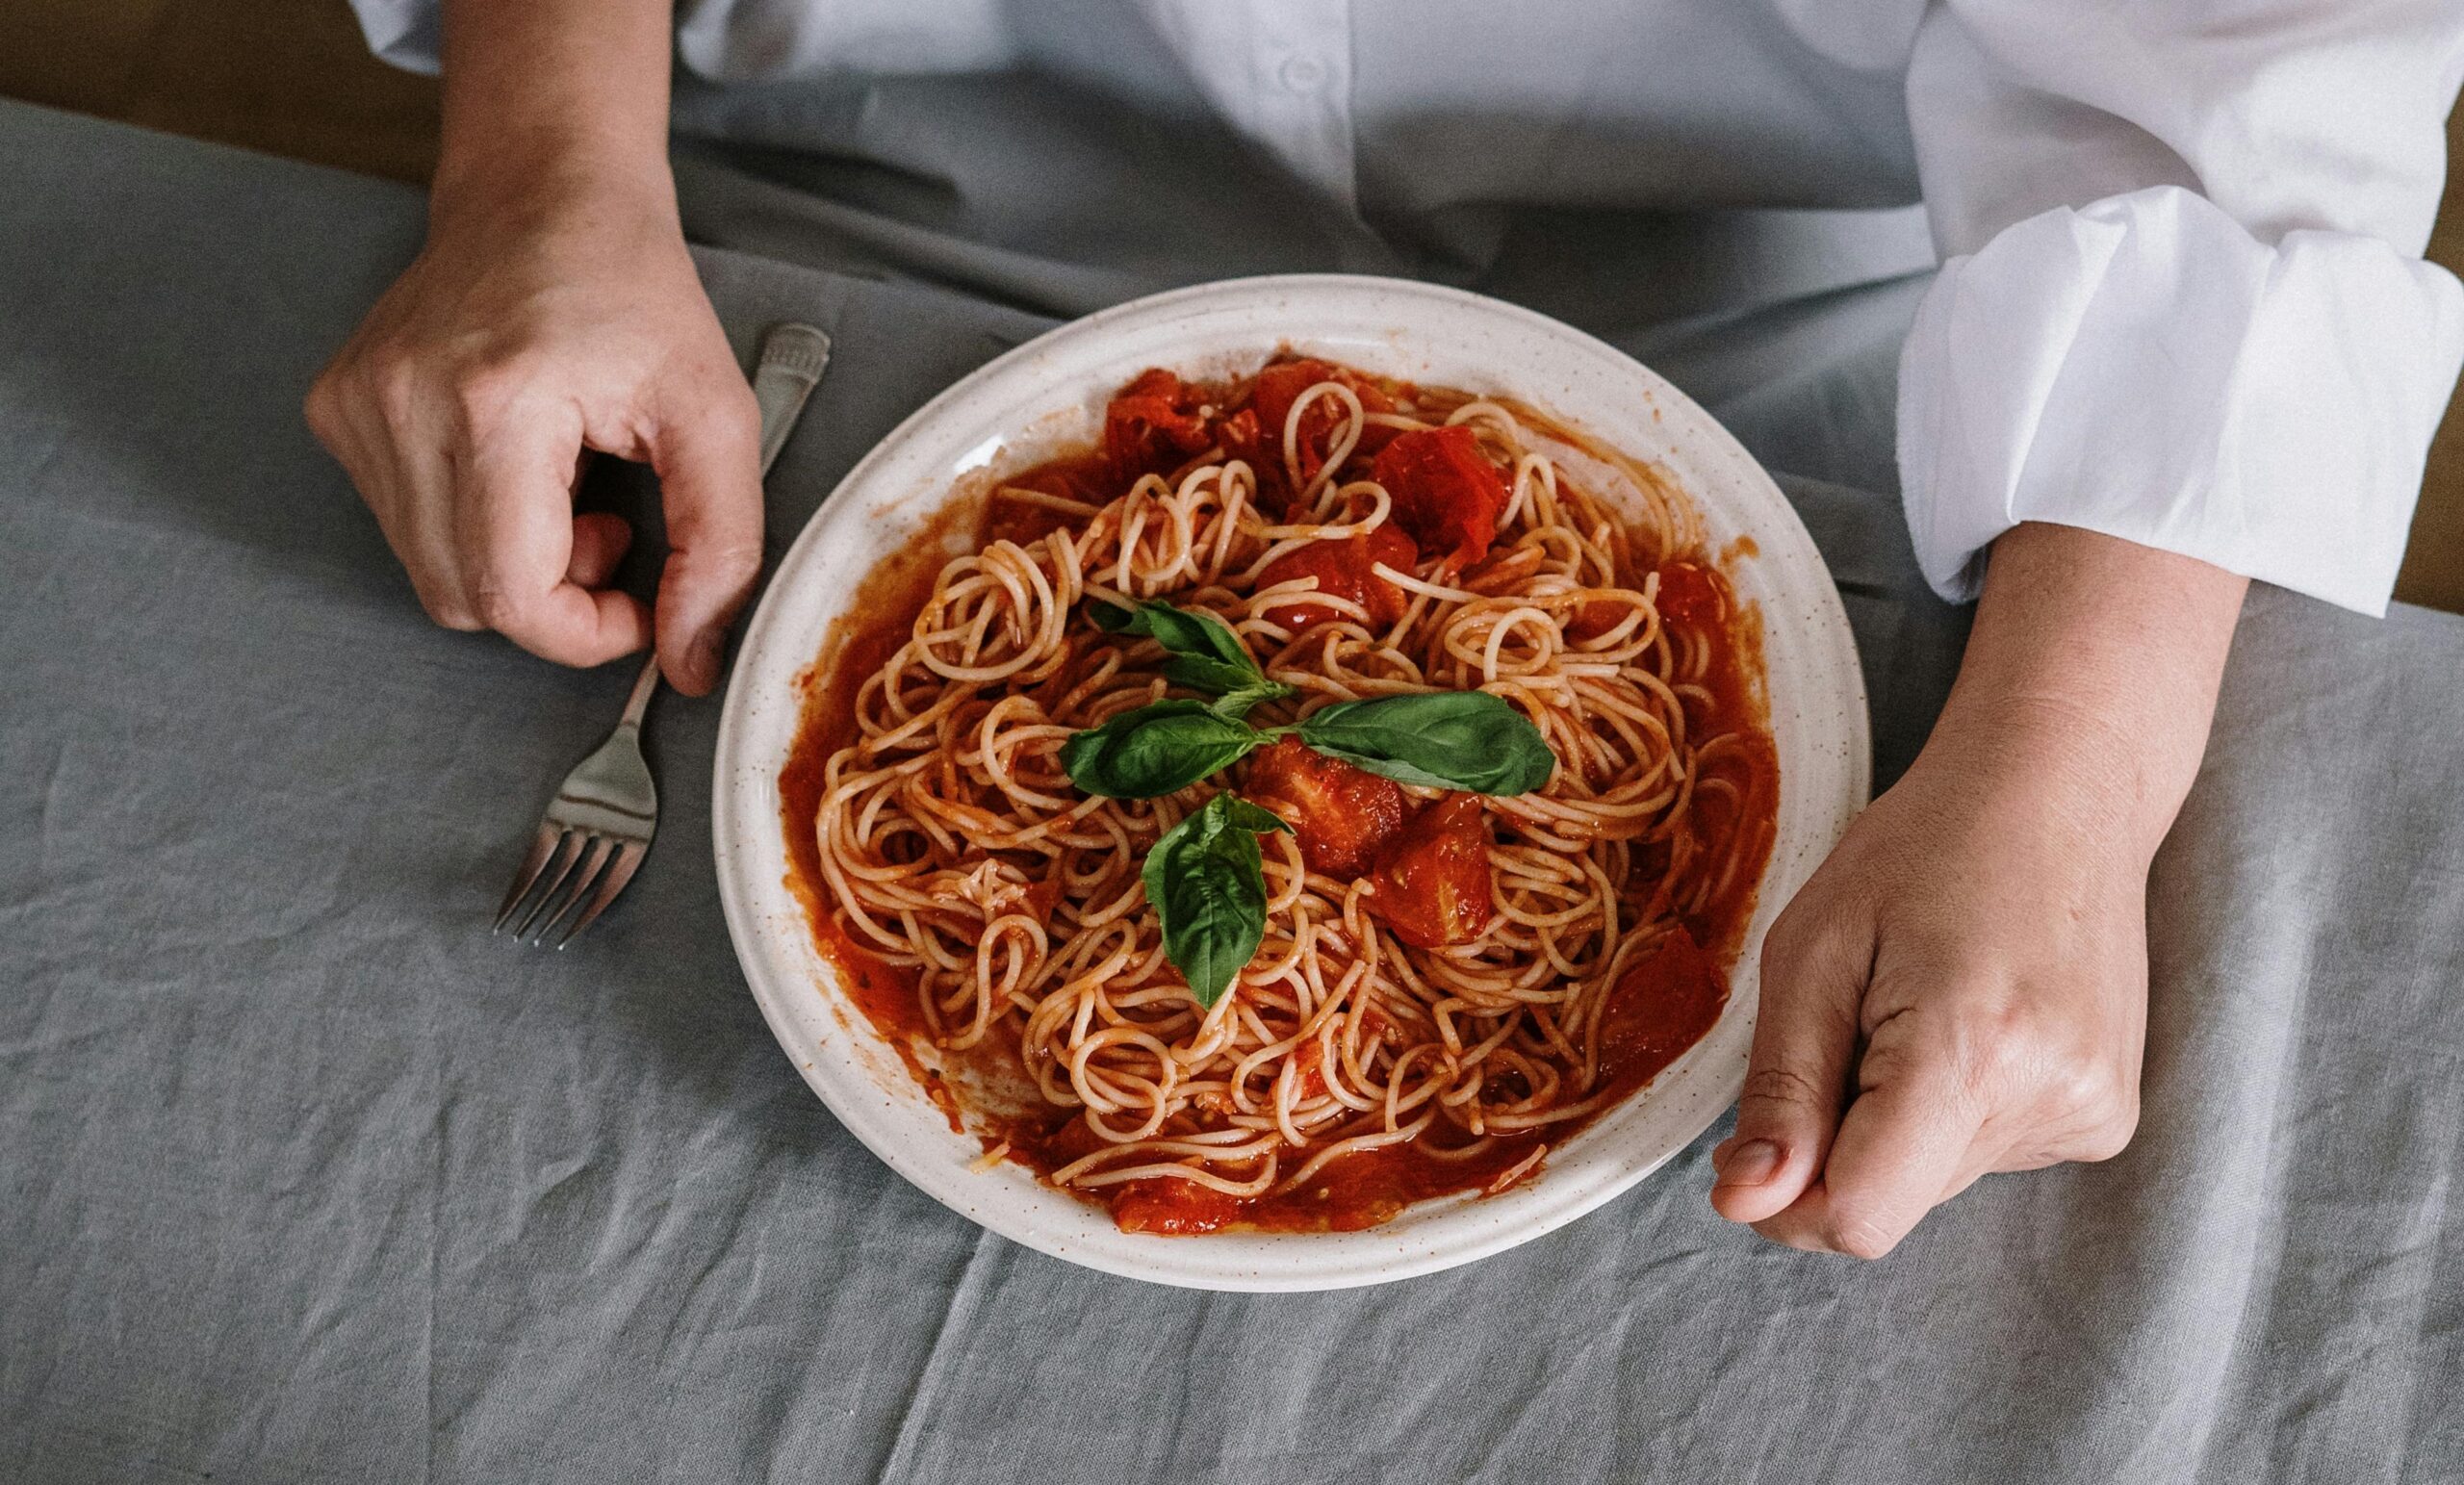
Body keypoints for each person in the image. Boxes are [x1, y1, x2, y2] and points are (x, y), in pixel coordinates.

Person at [311, 0, 2464, 1258]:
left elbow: (2235, 62)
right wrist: (535, 158)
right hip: (842, 198)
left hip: (1805, 317)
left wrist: (2067, 781)